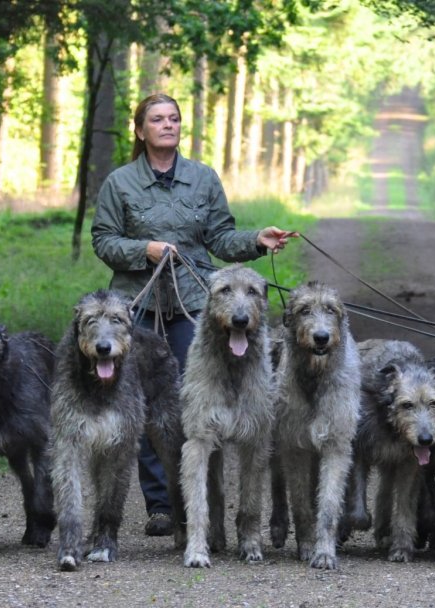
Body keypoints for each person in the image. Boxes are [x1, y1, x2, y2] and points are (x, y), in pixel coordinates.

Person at [90, 93, 296, 536]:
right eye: (158, 119)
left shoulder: (203, 179)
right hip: (136, 306)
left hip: (194, 306)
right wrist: (142, 250)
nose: (168, 125)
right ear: (140, 130)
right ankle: (160, 505)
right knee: (145, 404)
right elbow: (103, 240)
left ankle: (195, 507)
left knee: (192, 403)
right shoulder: (120, 183)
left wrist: (257, 240)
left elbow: (221, 238)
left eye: (174, 119)